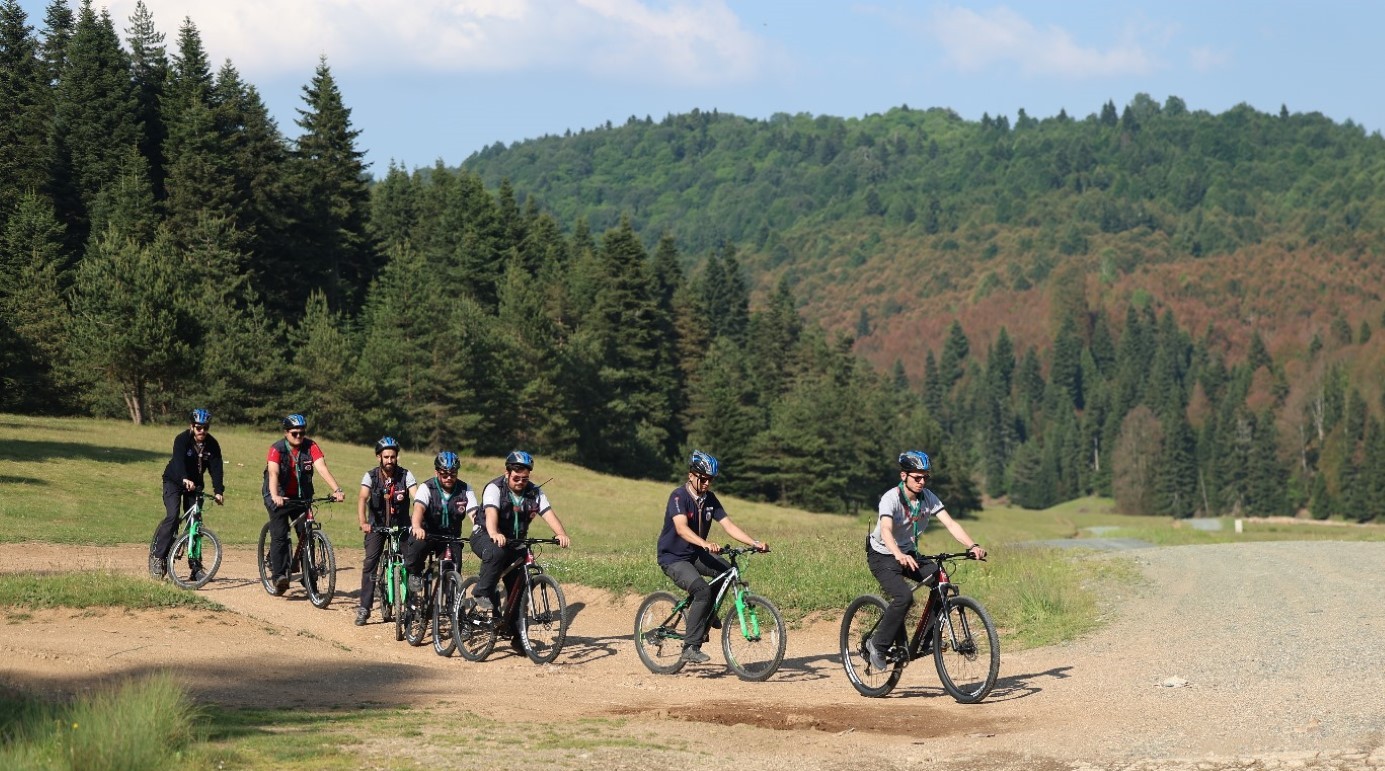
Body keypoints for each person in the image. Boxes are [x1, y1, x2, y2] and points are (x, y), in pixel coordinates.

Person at [865, 450, 987, 671]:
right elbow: (886, 530)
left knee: (941, 580)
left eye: (925, 477)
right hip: (882, 554)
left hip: (908, 553)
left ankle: (928, 638)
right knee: (903, 597)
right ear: (904, 476)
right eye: (917, 477)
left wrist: (972, 545)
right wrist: (898, 554)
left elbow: (951, 524)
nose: (922, 482)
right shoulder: (891, 498)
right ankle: (878, 645)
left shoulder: (928, 498)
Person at [655, 450, 767, 665]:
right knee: (702, 591)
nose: (707, 483)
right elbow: (680, 528)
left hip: (695, 554)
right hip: (674, 558)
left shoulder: (710, 500)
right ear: (691, 475)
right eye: (703, 479)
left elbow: (728, 526)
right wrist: (705, 543)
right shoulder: (678, 496)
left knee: (726, 571)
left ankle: (706, 611)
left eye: (711, 480)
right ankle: (690, 647)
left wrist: (754, 543)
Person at [469, 451, 571, 644]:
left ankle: (518, 637)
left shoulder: (535, 492)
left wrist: (561, 534)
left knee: (520, 585)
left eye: (525, 478)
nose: (520, 482)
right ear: (507, 473)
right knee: (496, 552)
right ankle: (481, 591)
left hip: (514, 542)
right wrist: (494, 533)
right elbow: (491, 515)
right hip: (484, 534)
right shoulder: (494, 488)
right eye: (516, 478)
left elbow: (548, 514)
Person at [262, 413, 346, 594]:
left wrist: (337, 489)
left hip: (302, 496)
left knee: (306, 532)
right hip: (278, 494)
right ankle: (279, 576)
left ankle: (308, 576)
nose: (299, 436)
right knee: (280, 534)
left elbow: (322, 468)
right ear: (286, 433)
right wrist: (275, 495)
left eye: (302, 432)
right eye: (294, 433)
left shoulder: (311, 446)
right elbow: (273, 474)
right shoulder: (277, 449)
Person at [150, 408, 225, 580]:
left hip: (195, 486)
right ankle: (158, 558)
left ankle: (196, 567)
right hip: (174, 481)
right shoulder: (182, 439)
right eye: (199, 428)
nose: (202, 431)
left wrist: (219, 491)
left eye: (205, 428)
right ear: (192, 426)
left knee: (196, 523)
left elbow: (216, 468)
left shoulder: (212, 445)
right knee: (173, 515)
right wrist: (184, 478)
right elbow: (178, 461)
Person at [354, 436, 418, 625]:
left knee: (413, 561)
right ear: (378, 457)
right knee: (370, 564)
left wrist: (417, 520)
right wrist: (364, 522)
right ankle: (364, 608)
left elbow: (417, 497)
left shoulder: (406, 475)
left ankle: (413, 605)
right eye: (386, 457)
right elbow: (362, 498)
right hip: (377, 527)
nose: (390, 461)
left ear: (397, 457)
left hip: (403, 526)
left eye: (393, 457)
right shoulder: (371, 476)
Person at [405, 451, 478, 604]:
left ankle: (457, 613)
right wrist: (417, 527)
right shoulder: (427, 487)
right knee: (415, 550)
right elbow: (418, 508)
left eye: (453, 474)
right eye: (445, 474)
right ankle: (415, 574)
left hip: (451, 537)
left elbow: (474, 513)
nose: (449, 478)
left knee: (454, 570)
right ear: (437, 472)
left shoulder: (466, 489)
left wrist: (478, 527)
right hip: (426, 533)